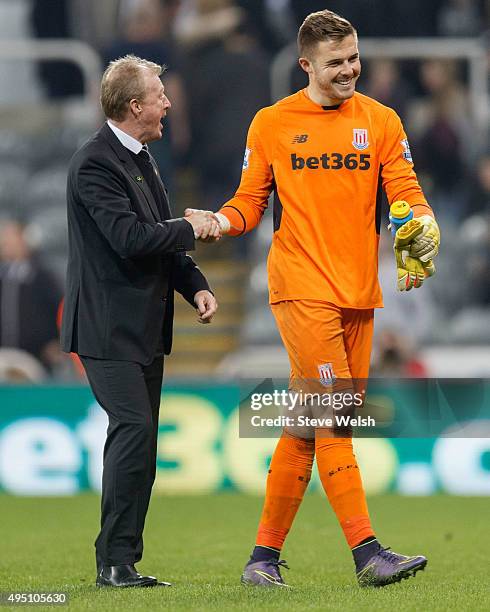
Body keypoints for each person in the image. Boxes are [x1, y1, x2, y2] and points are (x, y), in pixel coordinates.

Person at [188, 9, 440, 587]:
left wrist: (420, 227)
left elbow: (405, 192)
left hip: (359, 292)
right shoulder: (273, 123)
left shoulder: (381, 121)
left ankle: (262, 560)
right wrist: (218, 224)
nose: (349, 69)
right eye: (336, 63)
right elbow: (249, 204)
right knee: (334, 417)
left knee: (305, 423)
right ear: (306, 65)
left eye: (354, 58)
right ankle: (368, 553)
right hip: (301, 287)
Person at [60, 54, 219, 588]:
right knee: (133, 429)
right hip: (107, 328)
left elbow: (155, 241)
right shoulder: (94, 163)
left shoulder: (143, 159)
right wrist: (191, 225)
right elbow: (130, 238)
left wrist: (194, 284)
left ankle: (122, 560)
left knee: (141, 440)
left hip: (145, 327)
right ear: (135, 106)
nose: (168, 103)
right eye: (159, 95)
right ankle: (112, 561)